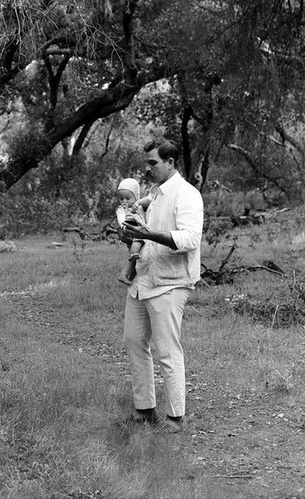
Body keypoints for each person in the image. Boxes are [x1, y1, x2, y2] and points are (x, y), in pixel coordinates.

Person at [119, 139, 203, 432]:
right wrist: (131, 236)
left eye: (153, 163)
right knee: (133, 341)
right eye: (146, 163)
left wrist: (149, 233)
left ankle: (175, 418)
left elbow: (190, 239)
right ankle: (144, 410)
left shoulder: (186, 194)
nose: (148, 168)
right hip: (143, 280)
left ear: (170, 163)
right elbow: (144, 236)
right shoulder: (154, 194)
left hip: (170, 282)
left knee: (167, 349)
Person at [115, 178, 152, 285]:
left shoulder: (139, 206)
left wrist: (138, 202)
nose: (124, 201)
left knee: (136, 260)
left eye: (128, 198)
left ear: (136, 196)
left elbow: (150, 200)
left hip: (139, 231)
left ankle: (127, 275)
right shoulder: (122, 209)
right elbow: (121, 218)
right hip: (133, 231)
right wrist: (124, 226)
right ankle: (133, 254)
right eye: (121, 199)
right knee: (137, 245)